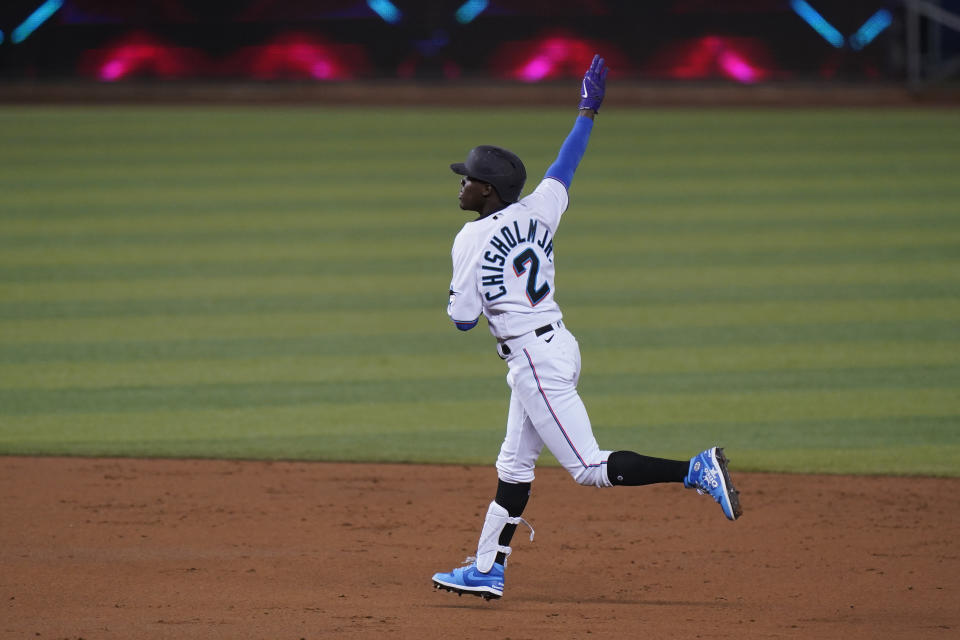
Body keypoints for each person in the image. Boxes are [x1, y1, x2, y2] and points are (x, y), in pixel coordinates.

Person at [432, 55, 742, 601]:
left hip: (533, 360)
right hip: (559, 344)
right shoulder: (539, 211)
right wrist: (587, 109)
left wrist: (470, 294)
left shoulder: (470, 240)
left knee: (588, 468)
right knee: (514, 464)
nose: (460, 187)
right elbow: (565, 164)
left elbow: (461, 320)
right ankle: (487, 568)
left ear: (488, 191)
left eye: (468, 181)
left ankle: (695, 469)